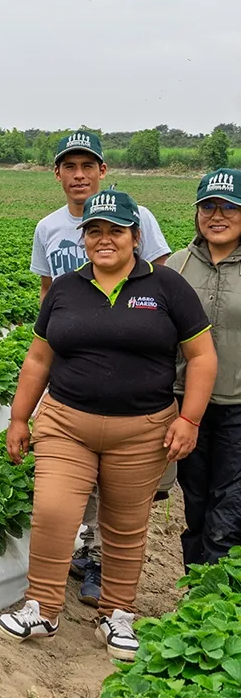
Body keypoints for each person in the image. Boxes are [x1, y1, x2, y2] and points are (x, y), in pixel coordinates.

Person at [0, 190, 217, 661]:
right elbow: (38, 358)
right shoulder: (65, 288)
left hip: (141, 429)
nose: (104, 240)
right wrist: (19, 416)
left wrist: (190, 418)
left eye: (115, 231)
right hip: (66, 422)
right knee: (54, 511)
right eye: (94, 231)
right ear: (84, 238)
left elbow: (201, 357)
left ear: (135, 236)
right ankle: (43, 608)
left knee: (125, 524)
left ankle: (117, 613)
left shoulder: (168, 287)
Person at [30, 131, 173, 606]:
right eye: (69, 167)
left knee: (121, 486)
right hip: (74, 370)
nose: (78, 175)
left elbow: (163, 287)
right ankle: (80, 557)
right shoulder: (49, 228)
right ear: (57, 174)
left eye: (87, 166)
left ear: (102, 170)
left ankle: (99, 562)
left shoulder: (140, 217)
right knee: (72, 472)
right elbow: (50, 298)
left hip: (133, 375)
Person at [168, 168, 241, 569]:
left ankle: (220, 588)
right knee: (195, 498)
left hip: (237, 404)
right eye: (209, 205)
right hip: (185, 404)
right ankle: (197, 585)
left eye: (230, 206)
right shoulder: (177, 267)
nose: (218, 214)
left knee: (229, 504)